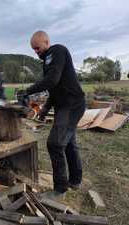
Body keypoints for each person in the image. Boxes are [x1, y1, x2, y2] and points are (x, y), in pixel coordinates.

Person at [23, 31, 85, 199]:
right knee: (69, 143)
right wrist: (44, 110)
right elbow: (53, 89)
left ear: (46, 42)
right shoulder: (47, 62)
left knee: (55, 144)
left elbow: (52, 80)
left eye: (37, 47)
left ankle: (60, 189)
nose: (36, 52)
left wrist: (28, 90)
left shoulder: (56, 51)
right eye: (33, 50)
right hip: (64, 106)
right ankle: (75, 180)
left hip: (72, 105)